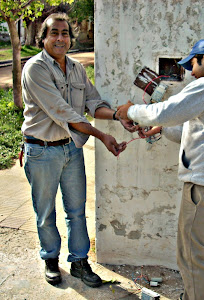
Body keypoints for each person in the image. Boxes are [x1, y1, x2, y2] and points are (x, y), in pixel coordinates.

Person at [116, 39, 204, 300]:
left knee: (190, 254)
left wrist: (131, 111)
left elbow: (168, 110)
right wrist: (161, 129)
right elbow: (197, 130)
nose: (190, 71)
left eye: (193, 64)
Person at [21, 13, 137, 287]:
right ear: (43, 38)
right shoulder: (35, 69)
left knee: (76, 210)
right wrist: (101, 135)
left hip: (71, 149)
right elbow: (63, 112)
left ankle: (79, 262)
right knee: (46, 211)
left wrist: (120, 116)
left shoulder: (76, 69)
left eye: (65, 33)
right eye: (54, 33)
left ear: (70, 39)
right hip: (41, 151)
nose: (60, 38)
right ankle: (51, 259)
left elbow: (94, 102)